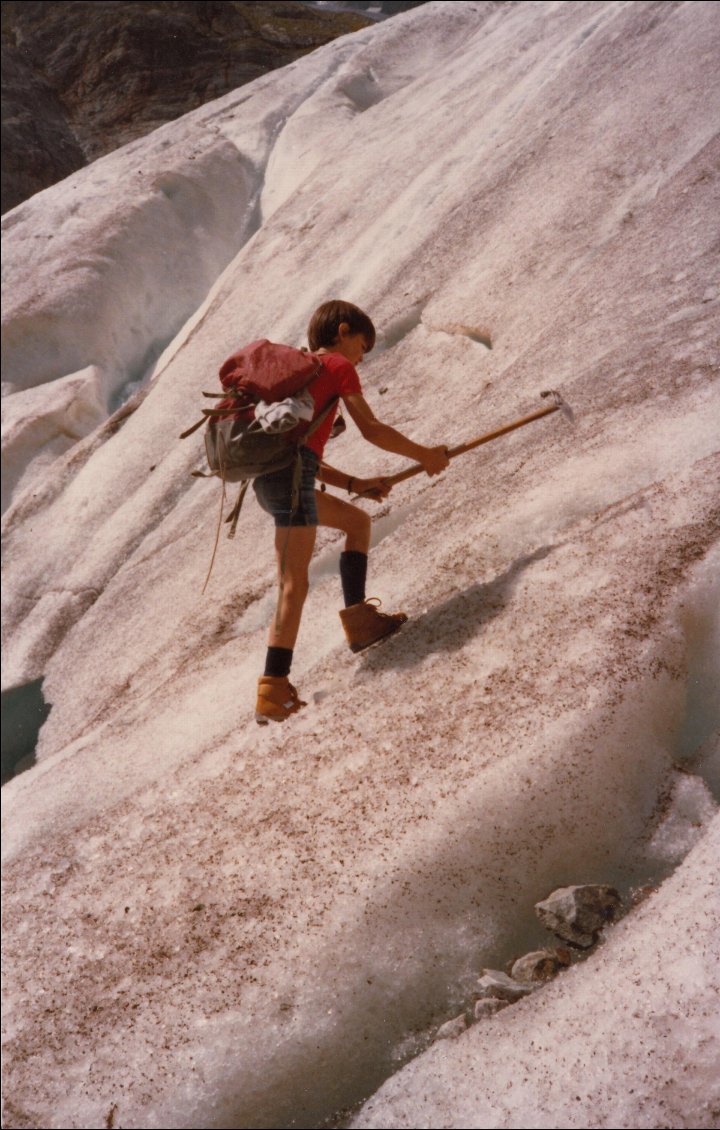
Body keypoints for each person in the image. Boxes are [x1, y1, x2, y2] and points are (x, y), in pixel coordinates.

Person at [254, 299, 449, 724]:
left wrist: (356, 486)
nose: (363, 355)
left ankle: (359, 622)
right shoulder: (336, 368)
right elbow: (372, 429)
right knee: (293, 585)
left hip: (278, 480)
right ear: (343, 331)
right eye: (363, 344)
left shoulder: (303, 377)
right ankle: (273, 689)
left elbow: (301, 454)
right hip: (290, 484)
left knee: (357, 521)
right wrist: (425, 455)